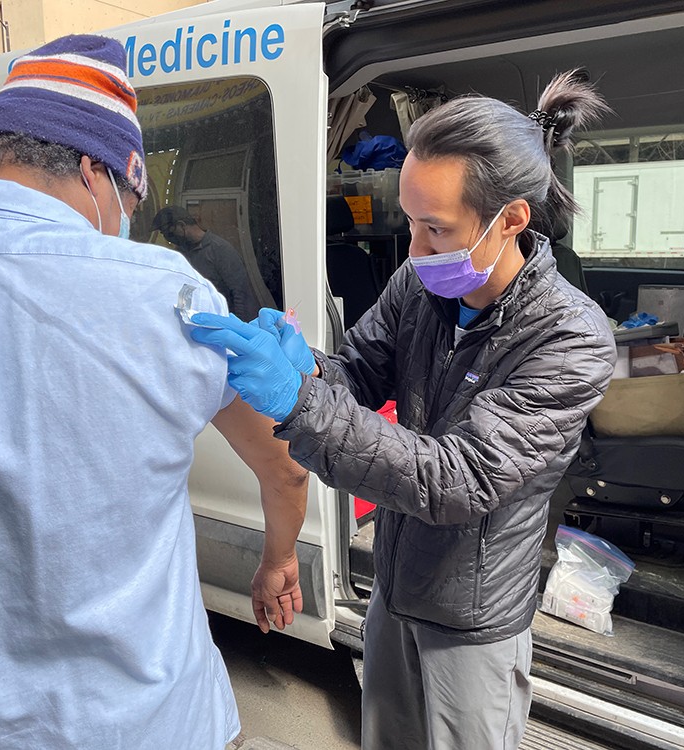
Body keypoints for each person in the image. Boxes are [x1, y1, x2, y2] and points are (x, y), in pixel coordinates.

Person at [0, 35, 308, 750]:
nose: (126, 220)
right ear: (95, 172)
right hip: (137, 721)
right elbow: (286, 466)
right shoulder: (166, 295)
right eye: (130, 198)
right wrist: (279, 562)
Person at [188, 71, 617, 749]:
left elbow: (457, 481)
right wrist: (307, 367)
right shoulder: (419, 287)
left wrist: (299, 400)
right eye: (410, 222)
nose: (414, 251)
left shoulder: (569, 338)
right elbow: (356, 374)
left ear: (510, 220)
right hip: (395, 585)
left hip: (472, 615)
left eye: (435, 229)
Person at [152, 205, 263, 319]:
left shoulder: (219, 250)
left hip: (223, 320)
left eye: (168, 233)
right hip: (196, 321)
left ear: (181, 225)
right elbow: (183, 289)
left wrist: (238, 325)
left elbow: (241, 293)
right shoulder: (181, 253)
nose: (167, 238)